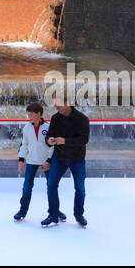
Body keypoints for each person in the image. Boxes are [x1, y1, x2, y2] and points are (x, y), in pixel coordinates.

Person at [43, 92, 90, 228]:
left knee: (80, 188)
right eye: (55, 103)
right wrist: (49, 141)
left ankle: (79, 215)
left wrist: (65, 141)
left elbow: (84, 139)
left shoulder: (82, 119)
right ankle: (53, 215)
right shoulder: (55, 118)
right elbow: (49, 137)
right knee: (51, 185)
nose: (56, 106)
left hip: (77, 159)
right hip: (59, 158)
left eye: (59, 103)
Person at [13, 101, 51, 222]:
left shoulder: (48, 127)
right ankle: (22, 210)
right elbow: (24, 144)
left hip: (46, 161)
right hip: (31, 161)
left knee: (52, 187)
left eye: (31, 114)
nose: (29, 117)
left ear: (39, 114)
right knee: (27, 187)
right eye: (28, 114)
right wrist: (21, 160)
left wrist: (49, 160)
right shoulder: (26, 128)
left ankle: (54, 211)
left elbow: (53, 146)